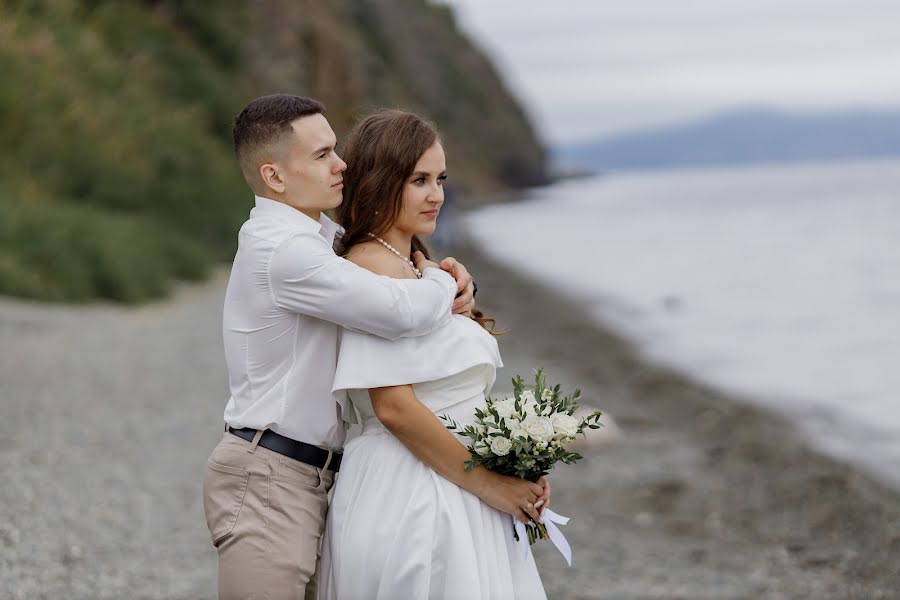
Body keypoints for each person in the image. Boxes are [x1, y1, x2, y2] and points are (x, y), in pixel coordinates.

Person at [201, 95, 479, 600]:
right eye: (322, 154)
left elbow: (386, 268)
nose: (342, 164)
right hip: (269, 476)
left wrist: (437, 271)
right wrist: (445, 280)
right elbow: (398, 311)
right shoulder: (283, 250)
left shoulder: (319, 238)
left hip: (314, 476)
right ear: (275, 177)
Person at [319, 110, 549, 599]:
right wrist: (491, 484)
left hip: (454, 480)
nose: (437, 194)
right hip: (413, 491)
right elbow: (395, 407)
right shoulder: (371, 272)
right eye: (418, 180)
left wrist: (517, 465)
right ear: (381, 181)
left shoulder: (416, 267)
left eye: (440, 178)